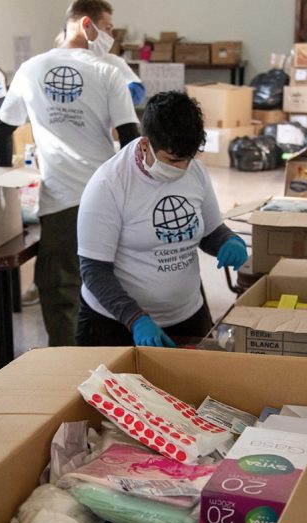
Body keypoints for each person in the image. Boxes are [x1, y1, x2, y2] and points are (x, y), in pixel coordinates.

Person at [0, 0, 140, 347]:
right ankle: (114, 359)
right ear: (85, 23)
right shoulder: (108, 71)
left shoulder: (30, 69)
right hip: (107, 196)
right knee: (112, 281)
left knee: (60, 289)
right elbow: (132, 138)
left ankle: (65, 367)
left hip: (59, 199)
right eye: (106, 28)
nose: (110, 37)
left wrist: (3, 187)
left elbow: (2, 131)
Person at [76, 92, 246, 347]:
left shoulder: (195, 171)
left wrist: (228, 241)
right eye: (172, 160)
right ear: (145, 145)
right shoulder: (109, 184)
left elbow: (210, 231)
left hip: (187, 314)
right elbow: (94, 270)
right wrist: (135, 319)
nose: (181, 169)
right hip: (117, 323)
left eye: (188, 160)